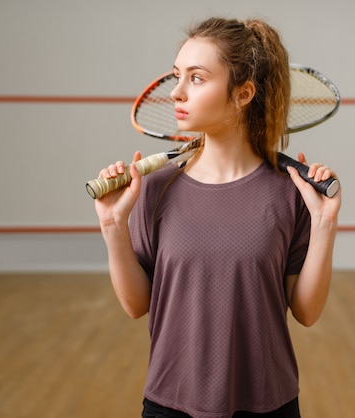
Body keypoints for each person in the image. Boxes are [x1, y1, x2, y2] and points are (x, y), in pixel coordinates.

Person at [94, 16, 341, 418]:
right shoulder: (154, 189)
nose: (175, 92)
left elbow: (307, 312)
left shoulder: (290, 193)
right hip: (169, 403)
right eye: (177, 76)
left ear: (243, 94)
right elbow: (136, 304)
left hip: (269, 403)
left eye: (196, 78)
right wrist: (112, 226)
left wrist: (325, 223)